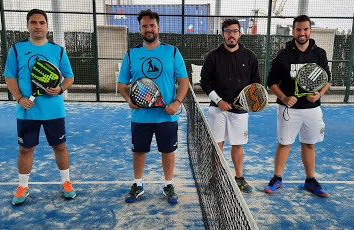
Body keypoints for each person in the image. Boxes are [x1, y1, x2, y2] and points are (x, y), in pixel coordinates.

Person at [4, 9, 76, 205]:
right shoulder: (17, 49)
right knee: (26, 149)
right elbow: (10, 77)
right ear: (28, 25)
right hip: (27, 111)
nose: (38, 26)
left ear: (46, 26)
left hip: (54, 110)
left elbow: (69, 77)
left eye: (41, 22)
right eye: (34, 22)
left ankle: (66, 183)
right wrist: (19, 98)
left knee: (60, 146)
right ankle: (23, 187)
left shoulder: (58, 50)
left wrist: (60, 89)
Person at [117, 9, 189, 204]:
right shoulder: (132, 54)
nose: (148, 29)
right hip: (141, 116)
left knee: (168, 151)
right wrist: (128, 99)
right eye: (144, 26)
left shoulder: (172, 52)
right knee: (139, 151)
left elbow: (184, 81)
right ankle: (138, 185)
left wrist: (176, 102)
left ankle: (168, 184)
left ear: (158, 27)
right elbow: (122, 84)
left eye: (152, 25)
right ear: (139, 29)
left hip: (167, 116)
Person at [265, 15, 331, 197]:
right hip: (289, 110)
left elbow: (327, 80)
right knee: (284, 144)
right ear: (293, 31)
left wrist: (319, 94)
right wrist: (284, 98)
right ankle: (277, 178)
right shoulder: (283, 55)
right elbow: (271, 82)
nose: (302, 33)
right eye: (298, 30)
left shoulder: (319, 54)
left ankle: (310, 180)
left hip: (313, 110)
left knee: (309, 145)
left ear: (310, 31)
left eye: (305, 29)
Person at [200, 18, 261, 193]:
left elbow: (255, 85)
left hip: (240, 111)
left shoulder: (250, 57)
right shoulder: (213, 56)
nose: (231, 35)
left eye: (235, 31)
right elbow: (205, 82)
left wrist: (245, 101)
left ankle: (239, 178)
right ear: (222, 34)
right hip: (217, 109)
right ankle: (214, 179)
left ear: (240, 34)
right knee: (217, 145)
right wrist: (219, 101)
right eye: (228, 31)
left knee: (237, 144)